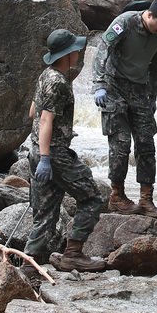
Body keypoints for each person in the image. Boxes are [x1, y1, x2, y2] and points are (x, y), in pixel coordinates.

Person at [27, 29, 106, 272]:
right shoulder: (59, 83)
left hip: (36, 149)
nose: (79, 53)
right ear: (69, 54)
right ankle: (73, 254)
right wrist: (47, 158)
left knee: (45, 212)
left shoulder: (46, 75)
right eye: (76, 50)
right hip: (54, 154)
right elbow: (45, 121)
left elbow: (33, 112)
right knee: (92, 198)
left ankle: (30, 265)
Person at [93, 0, 157, 219]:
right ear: (149, 15)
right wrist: (99, 84)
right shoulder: (125, 22)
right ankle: (117, 196)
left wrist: (153, 96)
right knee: (120, 144)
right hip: (113, 86)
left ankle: (146, 199)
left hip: (140, 89)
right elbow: (103, 50)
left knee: (146, 144)